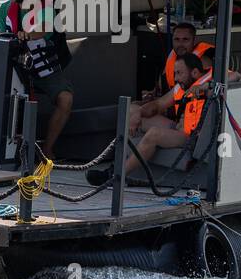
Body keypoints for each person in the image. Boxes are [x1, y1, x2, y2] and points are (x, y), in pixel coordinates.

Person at [88, 52, 207, 185]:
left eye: (180, 73)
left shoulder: (210, 81)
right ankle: (119, 163)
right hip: (178, 129)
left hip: (192, 137)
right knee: (132, 111)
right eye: (175, 73)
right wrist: (138, 113)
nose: (176, 78)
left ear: (195, 72)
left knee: (154, 133)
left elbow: (234, 75)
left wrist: (205, 86)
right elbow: (158, 104)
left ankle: (115, 176)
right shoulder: (181, 87)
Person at [0, 0, 73, 157]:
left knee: (66, 99)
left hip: (42, 64)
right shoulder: (5, 8)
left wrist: (28, 34)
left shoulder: (47, 7)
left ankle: (46, 149)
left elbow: (45, 31)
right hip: (15, 65)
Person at [157, 21, 213, 97]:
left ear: (194, 41)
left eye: (185, 39)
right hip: (169, 103)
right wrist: (152, 93)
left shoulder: (202, 62)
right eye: (177, 39)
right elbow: (162, 85)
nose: (180, 44)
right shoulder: (172, 58)